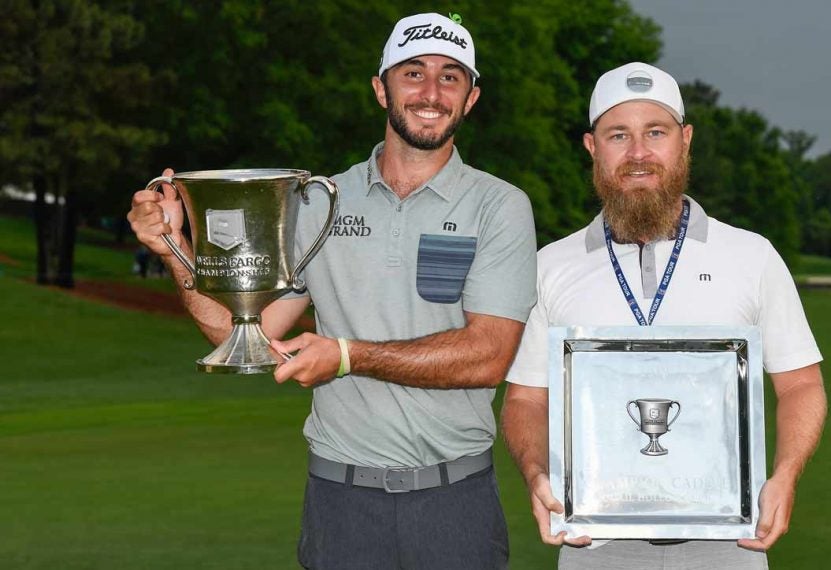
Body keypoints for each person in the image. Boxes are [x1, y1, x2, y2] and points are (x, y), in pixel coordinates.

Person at [127, 13, 536, 570]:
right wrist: (175, 248)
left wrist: (345, 356)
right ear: (380, 88)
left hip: (455, 501)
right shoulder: (319, 200)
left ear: (472, 97)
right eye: (413, 73)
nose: (432, 93)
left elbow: (488, 355)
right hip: (341, 501)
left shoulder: (499, 205)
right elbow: (238, 331)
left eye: (451, 77)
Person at [501, 62, 827, 569]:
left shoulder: (752, 256)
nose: (638, 154)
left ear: (685, 140)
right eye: (618, 135)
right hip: (596, 547)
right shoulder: (550, 266)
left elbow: (801, 385)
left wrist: (784, 474)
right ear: (592, 147)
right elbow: (524, 398)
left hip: (728, 547)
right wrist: (536, 470)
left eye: (655, 132)